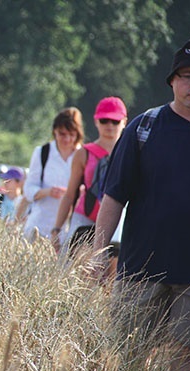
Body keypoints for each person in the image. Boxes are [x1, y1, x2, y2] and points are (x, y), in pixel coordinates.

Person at [93, 37, 190, 371]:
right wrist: (97, 252)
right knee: (125, 357)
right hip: (140, 268)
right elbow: (114, 196)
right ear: (172, 80)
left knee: (184, 363)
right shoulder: (144, 127)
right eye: (188, 75)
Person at [51, 97, 127, 256]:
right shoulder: (83, 153)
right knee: (78, 271)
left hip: (118, 219)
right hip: (85, 217)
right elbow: (70, 194)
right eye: (104, 120)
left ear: (124, 122)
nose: (110, 126)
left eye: (115, 121)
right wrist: (57, 228)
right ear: (96, 121)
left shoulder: (130, 152)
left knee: (111, 276)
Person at [23, 107, 84, 241]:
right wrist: (47, 192)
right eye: (62, 134)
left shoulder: (83, 155)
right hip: (39, 225)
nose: (67, 139)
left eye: (71, 134)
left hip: (69, 228)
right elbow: (28, 189)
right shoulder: (42, 153)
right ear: (54, 131)